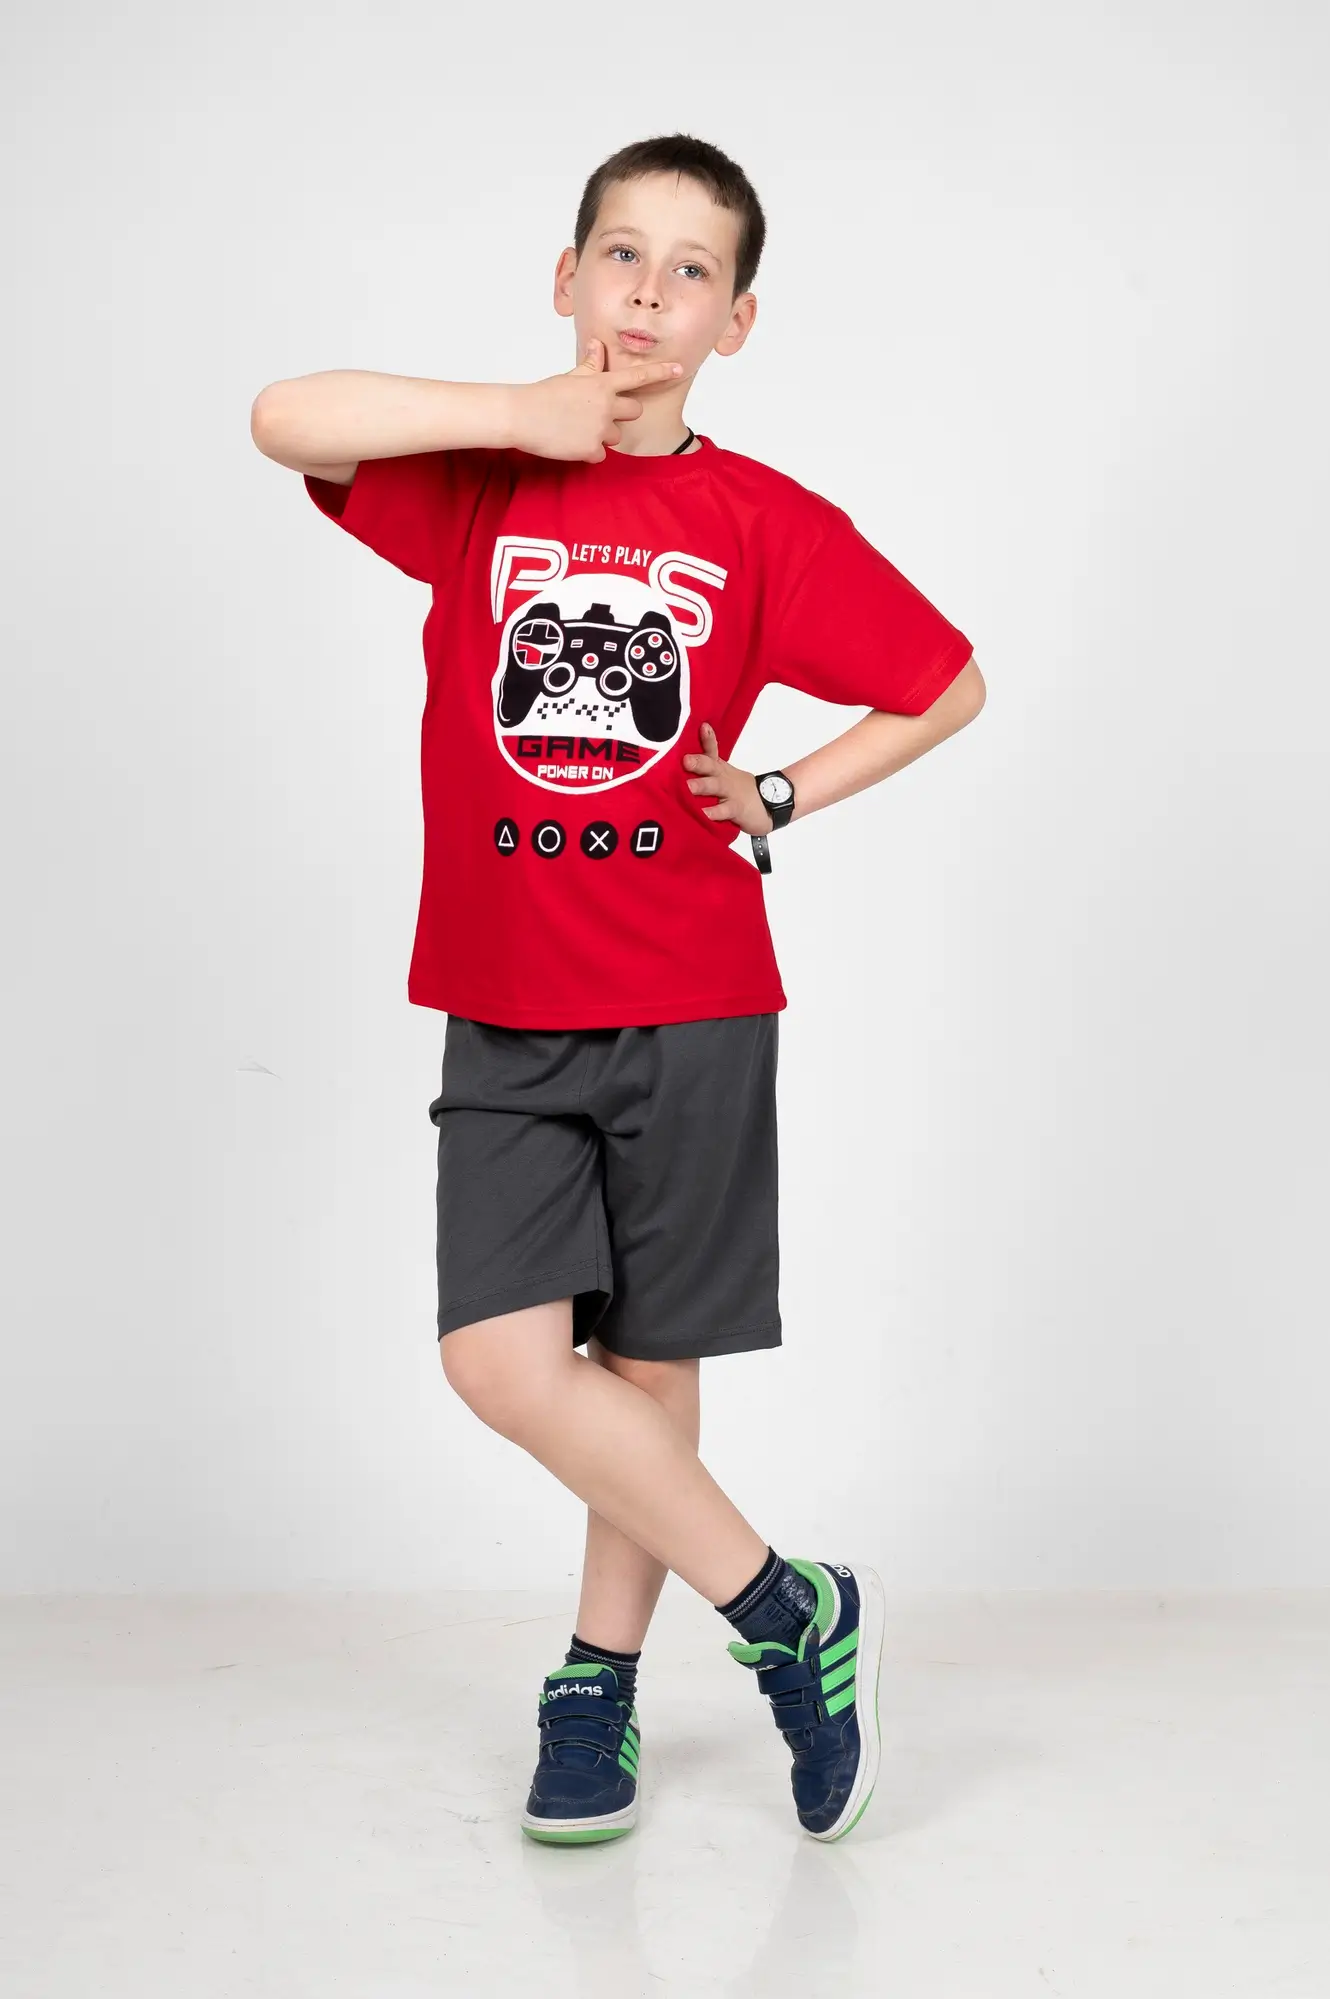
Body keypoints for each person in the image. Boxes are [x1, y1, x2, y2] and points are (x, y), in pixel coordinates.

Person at [250, 132, 985, 1847]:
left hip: (692, 998)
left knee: (647, 1371)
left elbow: (943, 681)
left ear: (736, 320)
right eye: (621, 254)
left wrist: (783, 790)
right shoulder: (479, 478)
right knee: (504, 1360)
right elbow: (284, 415)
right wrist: (517, 410)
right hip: (503, 997)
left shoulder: (762, 522)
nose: (649, 292)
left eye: (690, 269)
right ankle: (790, 1608)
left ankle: (596, 1681)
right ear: (566, 277)